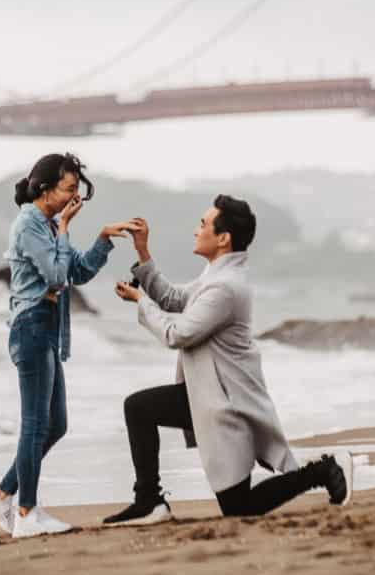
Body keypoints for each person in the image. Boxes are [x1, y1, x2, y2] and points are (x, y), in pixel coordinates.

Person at [104, 195, 352, 525]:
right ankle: (149, 500)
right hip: (205, 391)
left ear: (223, 238)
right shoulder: (217, 277)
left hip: (225, 400)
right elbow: (176, 299)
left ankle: (323, 471)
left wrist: (140, 302)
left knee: (238, 507)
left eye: (203, 224)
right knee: (139, 408)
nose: (196, 230)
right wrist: (143, 253)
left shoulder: (226, 287)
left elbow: (177, 334)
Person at [0, 152, 139, 539]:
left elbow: (76, 272)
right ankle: (27, 512)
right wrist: (65, 229)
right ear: (44, 188)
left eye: (76, 191)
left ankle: (1, 495)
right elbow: (54, 274)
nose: (72, 198)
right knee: (35, 423)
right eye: (68, 189)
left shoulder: (48, 224)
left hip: (46, 328)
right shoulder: (30, 224)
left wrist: (101, 238)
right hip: (31, 325)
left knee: (56, 424)